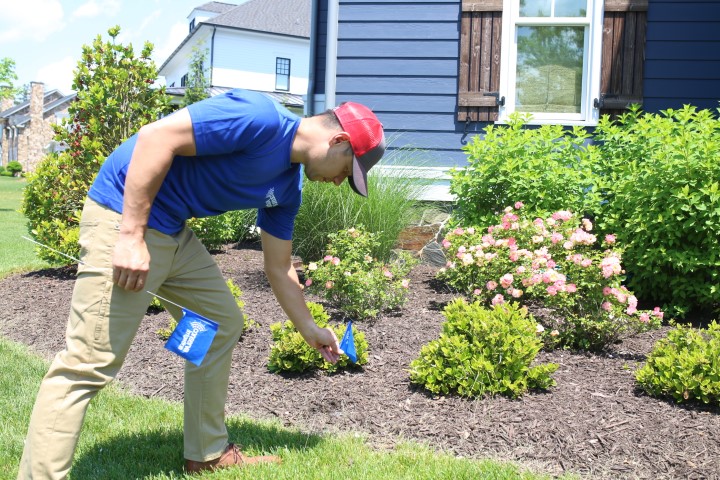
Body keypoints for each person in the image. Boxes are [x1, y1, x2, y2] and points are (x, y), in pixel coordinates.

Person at [18, 88, 385, 478]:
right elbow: (157, 136)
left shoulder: (287, 188)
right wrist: (130, 236)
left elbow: (279, 268)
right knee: (88, 363)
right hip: (123, 216)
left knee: (219, 323)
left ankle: (205, 453)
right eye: (347, 172)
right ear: (339, 141)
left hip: (172, 231)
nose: (337, 182)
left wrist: (310, 328)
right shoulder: (260, 118)